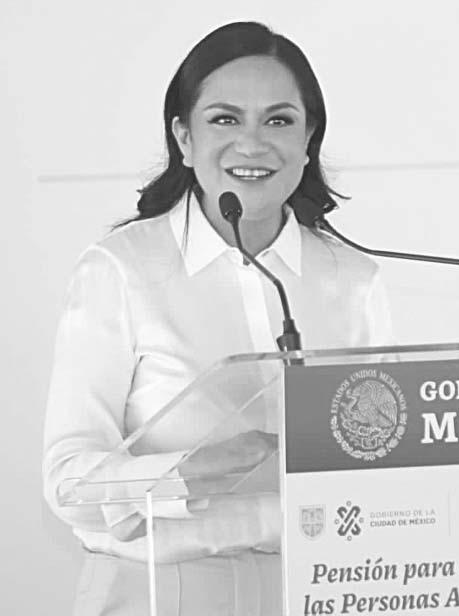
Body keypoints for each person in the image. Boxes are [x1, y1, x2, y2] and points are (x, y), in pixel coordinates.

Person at [42, 21, 392, 616]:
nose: (252, 145)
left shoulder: (354, 280)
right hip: (160, 589)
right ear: (184, 138)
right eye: (225, 119)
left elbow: (381, 458)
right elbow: (68, 481)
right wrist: (187, 473)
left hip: (318, 586)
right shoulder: (121, 270)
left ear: (309, 139)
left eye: (279, 120)